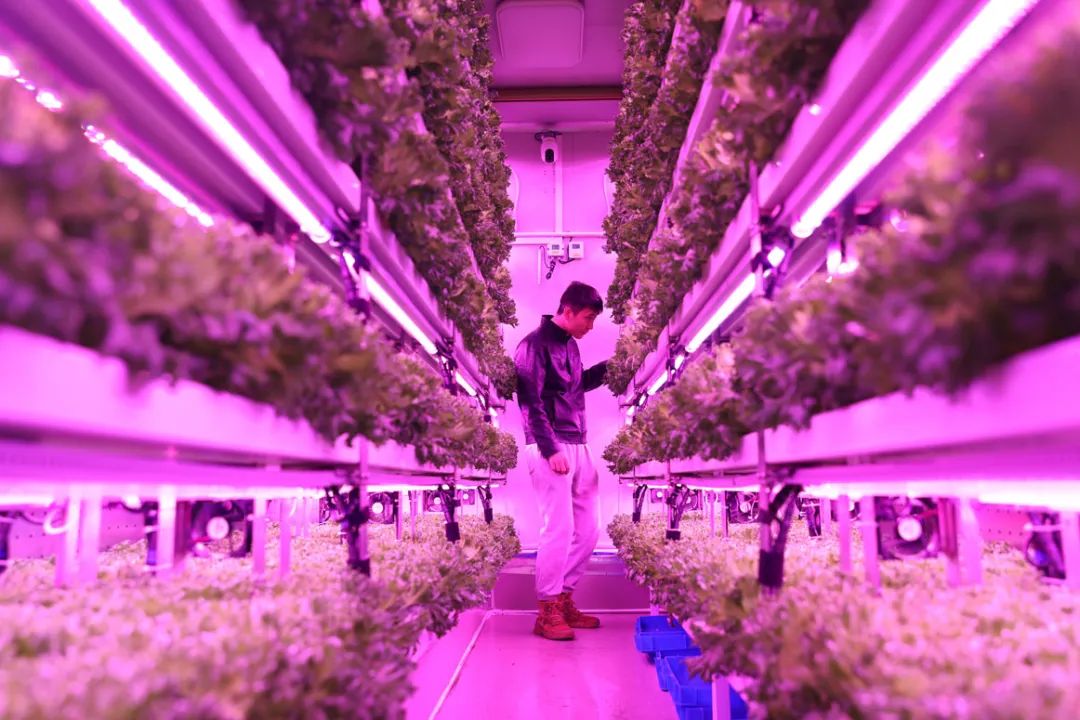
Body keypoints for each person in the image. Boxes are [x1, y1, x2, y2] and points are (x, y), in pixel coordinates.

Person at [514, 281, 609, 641]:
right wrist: (549, 448)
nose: (590, 326)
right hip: (550, 444)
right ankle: (547, 609)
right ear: (567, 310)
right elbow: (530, 401)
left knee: (589, 529)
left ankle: (564, 596)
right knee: (558, 528)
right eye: (588, 318)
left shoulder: (570, 345)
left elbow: (575, 386)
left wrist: (612, 369)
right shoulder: (533, 345)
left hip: (578, 441)